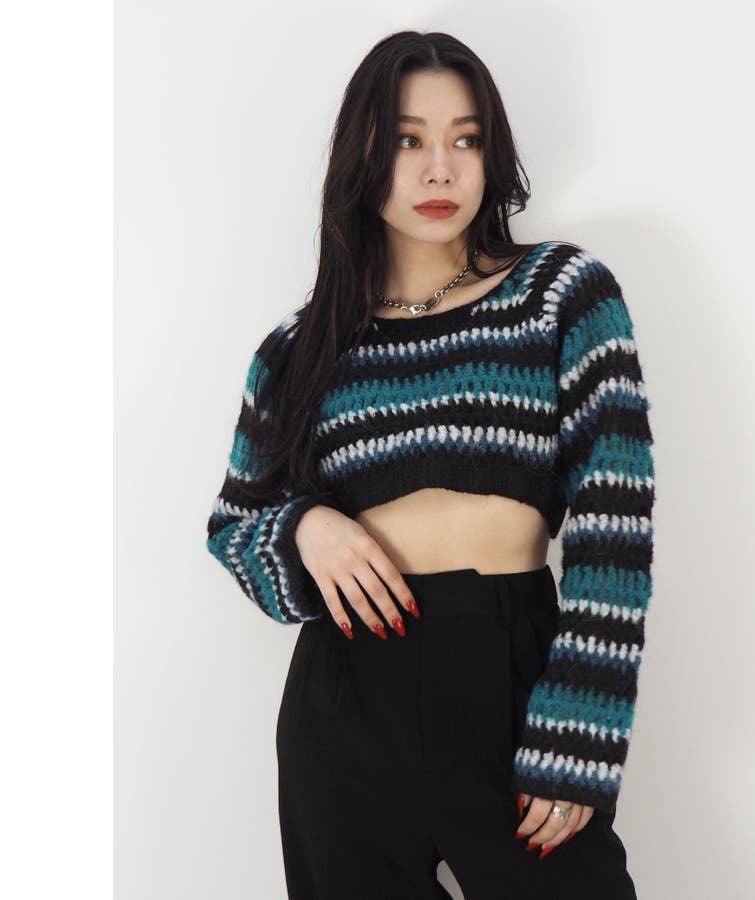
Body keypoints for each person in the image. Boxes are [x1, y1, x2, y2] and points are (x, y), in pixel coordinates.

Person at [205, 29, 656, 900]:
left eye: (466, 139)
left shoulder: (561, 294)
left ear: (493, 155)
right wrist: (306, 528)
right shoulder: (298, 351)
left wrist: (581, 725)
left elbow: (616, 521)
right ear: (363, 156)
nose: (439, 169)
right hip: (346, 695)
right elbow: (234, 528)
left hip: (512, 673)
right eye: (408, 141)